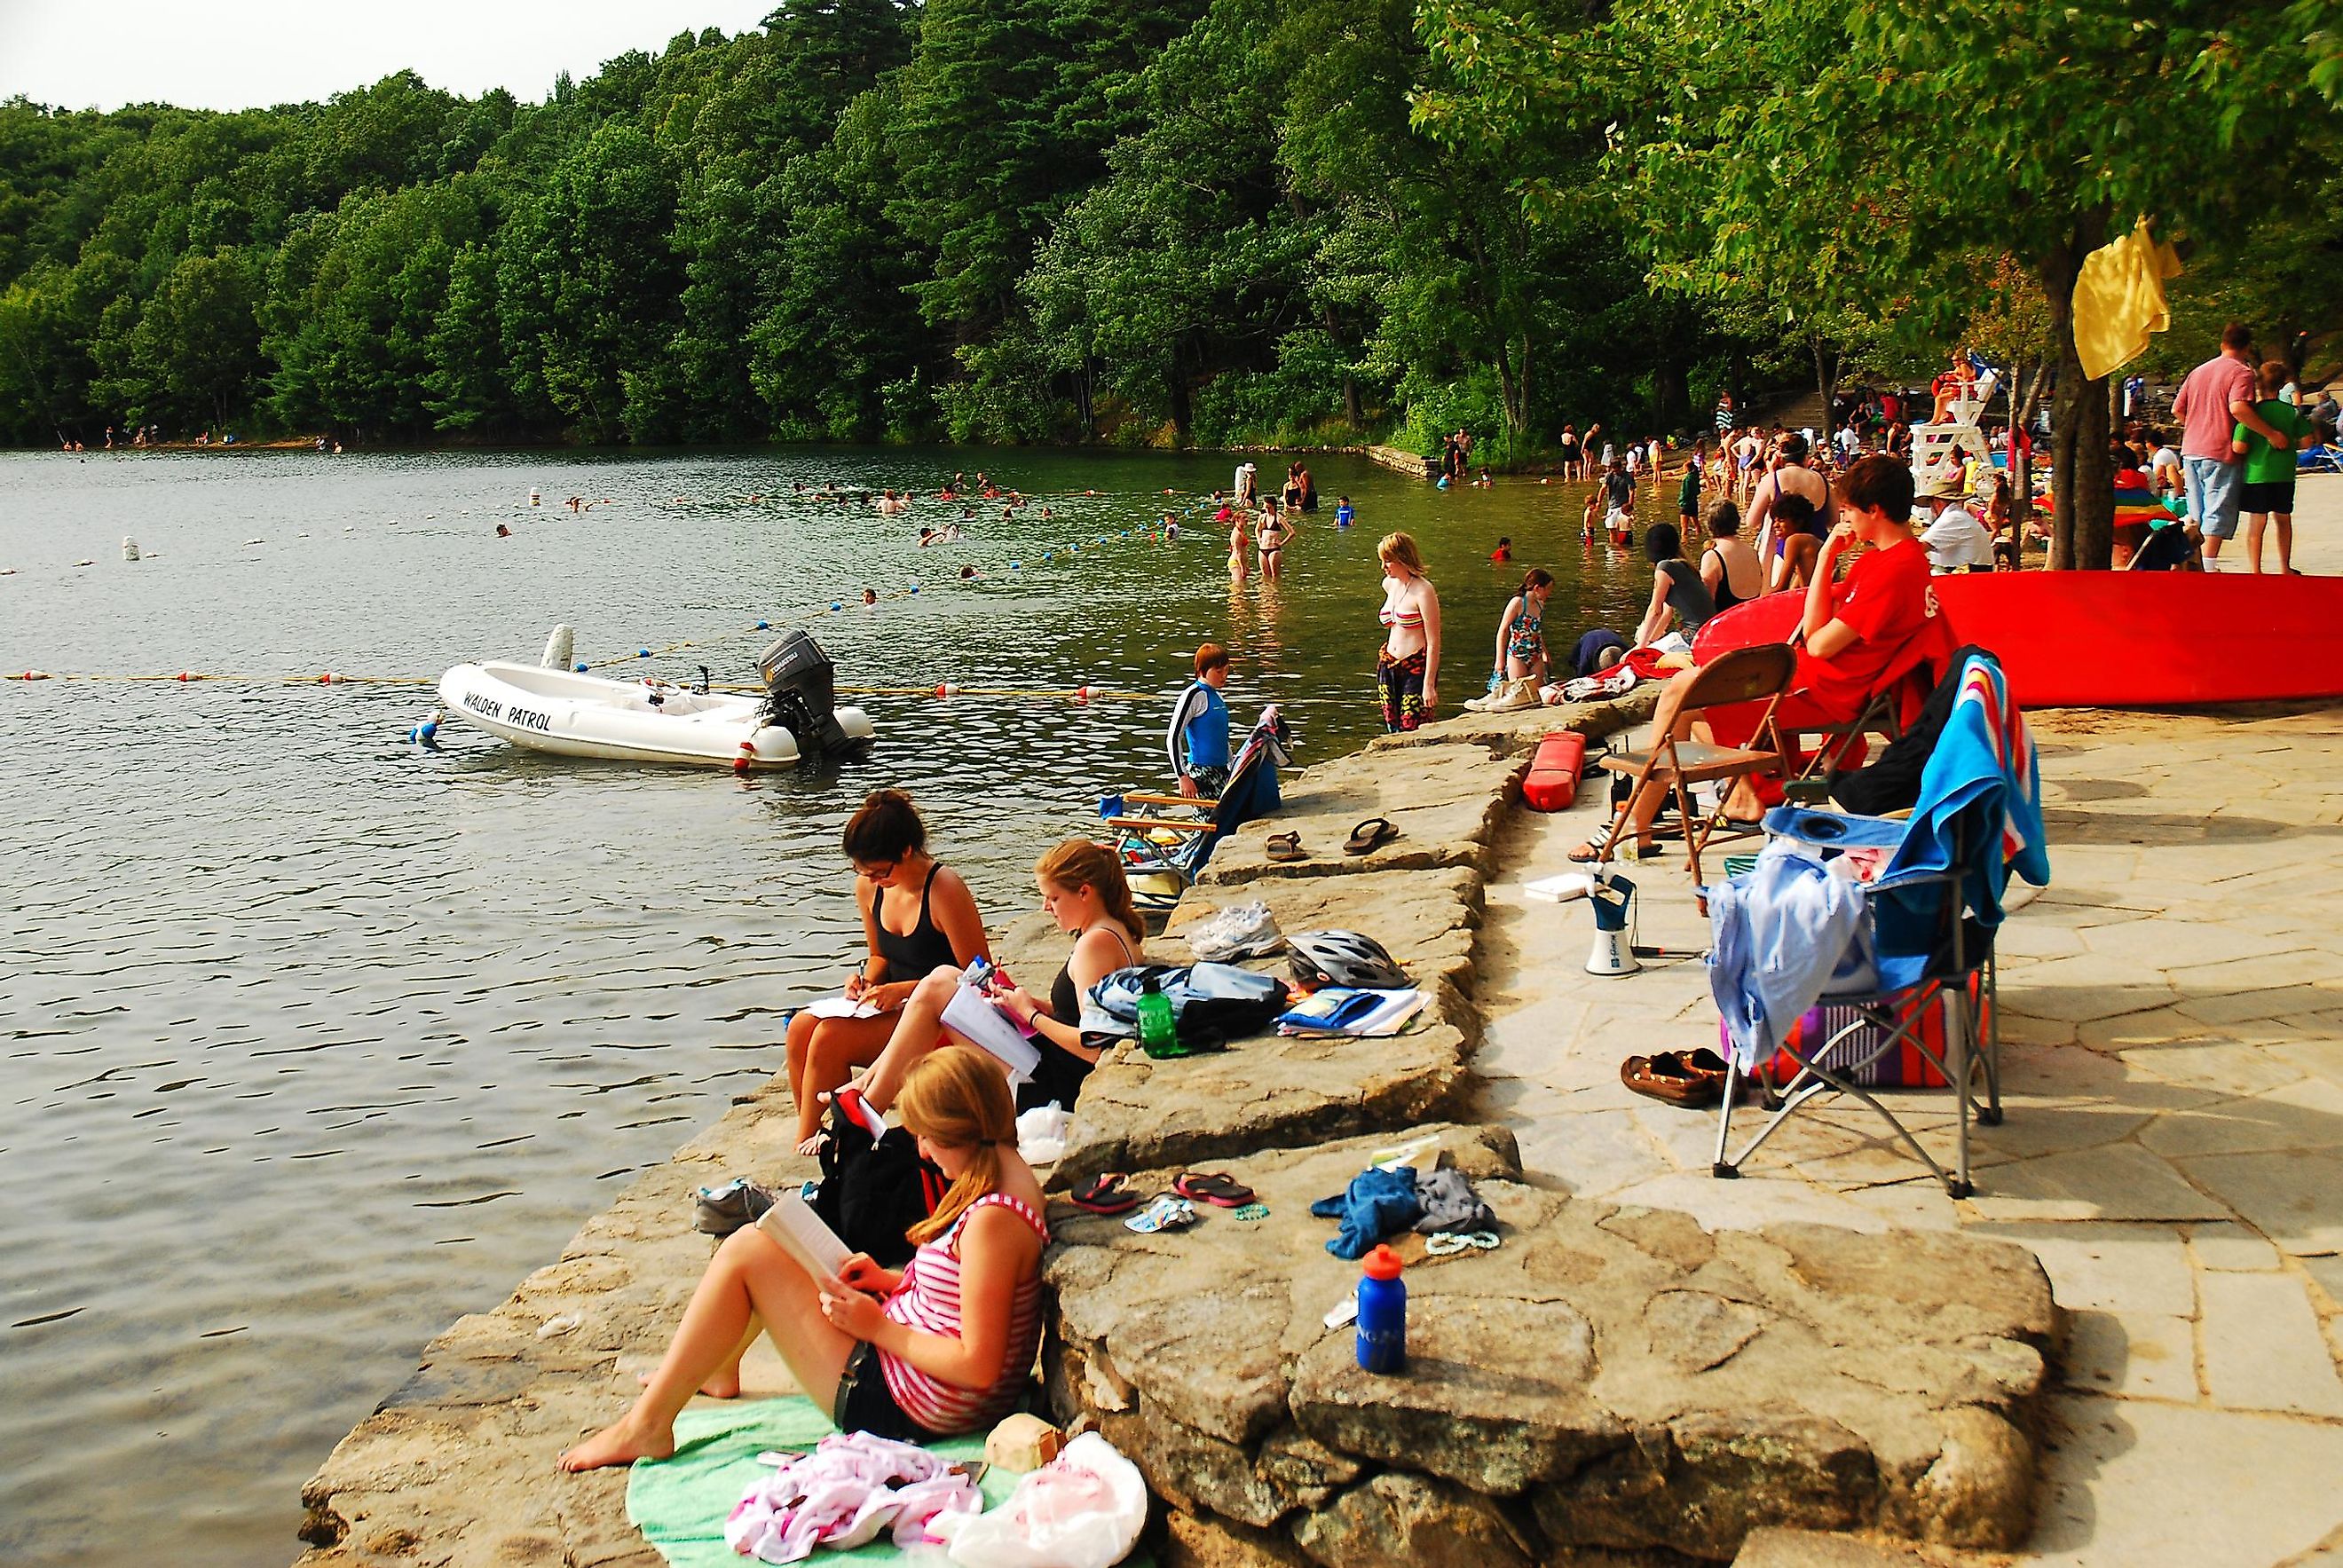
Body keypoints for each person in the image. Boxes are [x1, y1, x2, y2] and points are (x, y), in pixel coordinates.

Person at [557, 1046, 1046, 1468]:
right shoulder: (1006, 1177)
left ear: (956, 1130)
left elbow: (978, 1364)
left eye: (925, 1135)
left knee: (746, 1250)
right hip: (924, 1382)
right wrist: (893, 1282)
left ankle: (647, 1425)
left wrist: (876, 1327)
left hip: (904, 1404)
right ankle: (716, 1368)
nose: (920, 1149)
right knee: (773, 1247)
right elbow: (972, 1297)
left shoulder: (993, 1221)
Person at [1576, 455, 1951, 862]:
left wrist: (1825, 566)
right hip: (1822, 676)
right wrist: (1825, 558)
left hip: (1828, 689)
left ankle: (1639, 823)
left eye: (1848, 511)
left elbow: (1821, 643)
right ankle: (1664, 819)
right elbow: (1815, 627)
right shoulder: (1890, 559)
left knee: (1682, 694)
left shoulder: (1894, 570)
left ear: (1874, 511)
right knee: (1683, 698)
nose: (1844, 520)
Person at [850, 841, 1145, 1119]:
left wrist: (1030, 1016)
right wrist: (1026, 1004)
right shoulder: (1116, 931)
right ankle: (867, 1087)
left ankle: (864, 1108)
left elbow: (1093, 1047)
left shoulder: (1094, 946)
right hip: (1054, 1065)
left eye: (1053, 898)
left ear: (1085, 892)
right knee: (947, 976)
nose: (1046, 907)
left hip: (1056, 1085)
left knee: (936, 990)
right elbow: (1087, 1017)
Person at [782, 792, 990, 1154]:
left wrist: (905, 990)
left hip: (938, 1016)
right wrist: (865, 980)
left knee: (831, 1037)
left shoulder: (944, 889)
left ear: (906, 852)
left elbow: (978, 974)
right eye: (865, 872)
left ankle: (831, 1139)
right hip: (895, 1007)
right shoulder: (869, 888)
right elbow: (879, 955)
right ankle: (812, 1130)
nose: (874, 880)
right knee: (802, 1025)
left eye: (881, 872)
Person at [2173, 324, 2294, 569]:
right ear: (2247, 347)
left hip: (2191, 448)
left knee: (2197, 512)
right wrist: (2270, 434)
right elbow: (2238, 408)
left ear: (2222, 344)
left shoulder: (2198, 371)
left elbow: (2177, 409)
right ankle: (2207, 566)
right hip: (2219, 450)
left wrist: (2197, 425)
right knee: (2218, 510)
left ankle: (2193, 563)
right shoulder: (2242, 372)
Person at [2235, 359, 2313, 575]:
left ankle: (2255, 570)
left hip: (2257, 473)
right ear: (2282, 385)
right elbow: (2307, 443)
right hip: (2284, 473)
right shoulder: (2291, 412)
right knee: (2283, 519)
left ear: (2259, 384)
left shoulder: (2252, 415)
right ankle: (2284, 567)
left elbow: (2239, 446)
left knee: (2257, 523)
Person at [1375, 532, 1441, 732]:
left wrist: (1429, 684)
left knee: (1413, 726)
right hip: (1388, 665)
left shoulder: (1424, 590)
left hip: (1415, 667)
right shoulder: (1389, 585)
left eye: (1388, 561)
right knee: (1392, 727)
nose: (1383, 567)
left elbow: (1434, 642)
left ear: (1402, 558)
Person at [1745, 432, 1830, 563]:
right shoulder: (1823, 480)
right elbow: (1833, 521)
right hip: (1821, 553)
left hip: (1786, 556)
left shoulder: (1772, 480)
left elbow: (1752, 521)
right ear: (1806, 457)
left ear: (1781, 458)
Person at [1632, 523, 1716, 648]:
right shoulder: (1685, 566)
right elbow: (1667, 613)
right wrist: (1649, 642)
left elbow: (1655, 611)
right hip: (1708, 633)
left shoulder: (1664, 568)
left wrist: (1639, 647)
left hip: (1693, 636)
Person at [1168, 643, 1233, 799]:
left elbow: (1221, 736)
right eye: (1218, 671)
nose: (1224, 676)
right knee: (1207, 820)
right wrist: (1182, 776)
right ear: (1202, 670)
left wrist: (1232, 763)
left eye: (1226, 670)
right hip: (1201, 772)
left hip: (1222, 770)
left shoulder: (1218, 697)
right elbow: (1173, 737)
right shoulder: (1193, 695)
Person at [1698, 500, 1763, 614]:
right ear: (1736, 522)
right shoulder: (1752, 551)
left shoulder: (1712, 556)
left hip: (1727, 624)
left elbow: (1706, 605)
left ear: (1709, 525)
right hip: (1752, 618)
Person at [1491, 569, 1553, 688]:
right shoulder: (1517, 603)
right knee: (1520, 691)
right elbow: (1503, 631)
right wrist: (1500, 659)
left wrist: (1545, 653)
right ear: (1537, 588)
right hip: (1517, 654)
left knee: (1537, 692)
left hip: (1536, 654)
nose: (1549, 593)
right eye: (1548, 589)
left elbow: (1537, 632)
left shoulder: (1540, 605)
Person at [1919, 479, 1996, 572]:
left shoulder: (1953, 518)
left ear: (1937, 502)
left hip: (1967, 580)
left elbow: (1918, 547)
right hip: (1970, 575)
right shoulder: (1958, 516)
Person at [1765, 492, 1826, 594]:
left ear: (1799, 521)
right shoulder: (1813, 541)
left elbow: (1781, 588)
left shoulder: (1794, 541)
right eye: (1774, 521)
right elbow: (1796, 587)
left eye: (1781, 520)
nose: (1775, 525)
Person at [1929, 351, 1976, 425]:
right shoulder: (1959, 366)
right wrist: (1950, 373)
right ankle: (1943, 415)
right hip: (1961, 389)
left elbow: (1965, 379)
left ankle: (1935, 420)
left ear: (1961, 360)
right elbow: (1955, 373)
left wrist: (1956, 376)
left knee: (1939, 398)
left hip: (1966, 391)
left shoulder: (1964, 366)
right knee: (1943, 390)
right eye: (1953, 360)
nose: (1953, 362)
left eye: (1955, 360)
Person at [1257, 503, 1293, 579]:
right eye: (1265, 507)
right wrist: (1259, 539)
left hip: (1274, 549)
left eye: (1269, 507)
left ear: (1273, 506)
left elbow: (1292, 532)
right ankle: (1266, 590)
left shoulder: (1279, 518)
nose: (1267, 510)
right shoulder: (1262, 517)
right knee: (1265, 575)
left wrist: (1282, 543)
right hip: (1262, 548)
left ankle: (1275, 589)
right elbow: (1257, 530)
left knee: (1275, 576)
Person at [1227, 507, 1251, 583]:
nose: (1247, 519)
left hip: (1240, 562)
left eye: (1247, 517)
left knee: (1242, 586)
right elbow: (1238, 552)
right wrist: (1242, 568)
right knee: (1239, 587)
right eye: (1244, 518)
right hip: (1236, 562)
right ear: (1237, 520)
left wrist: (1246, 565)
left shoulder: (1240, 531)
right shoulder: (1237, 534)